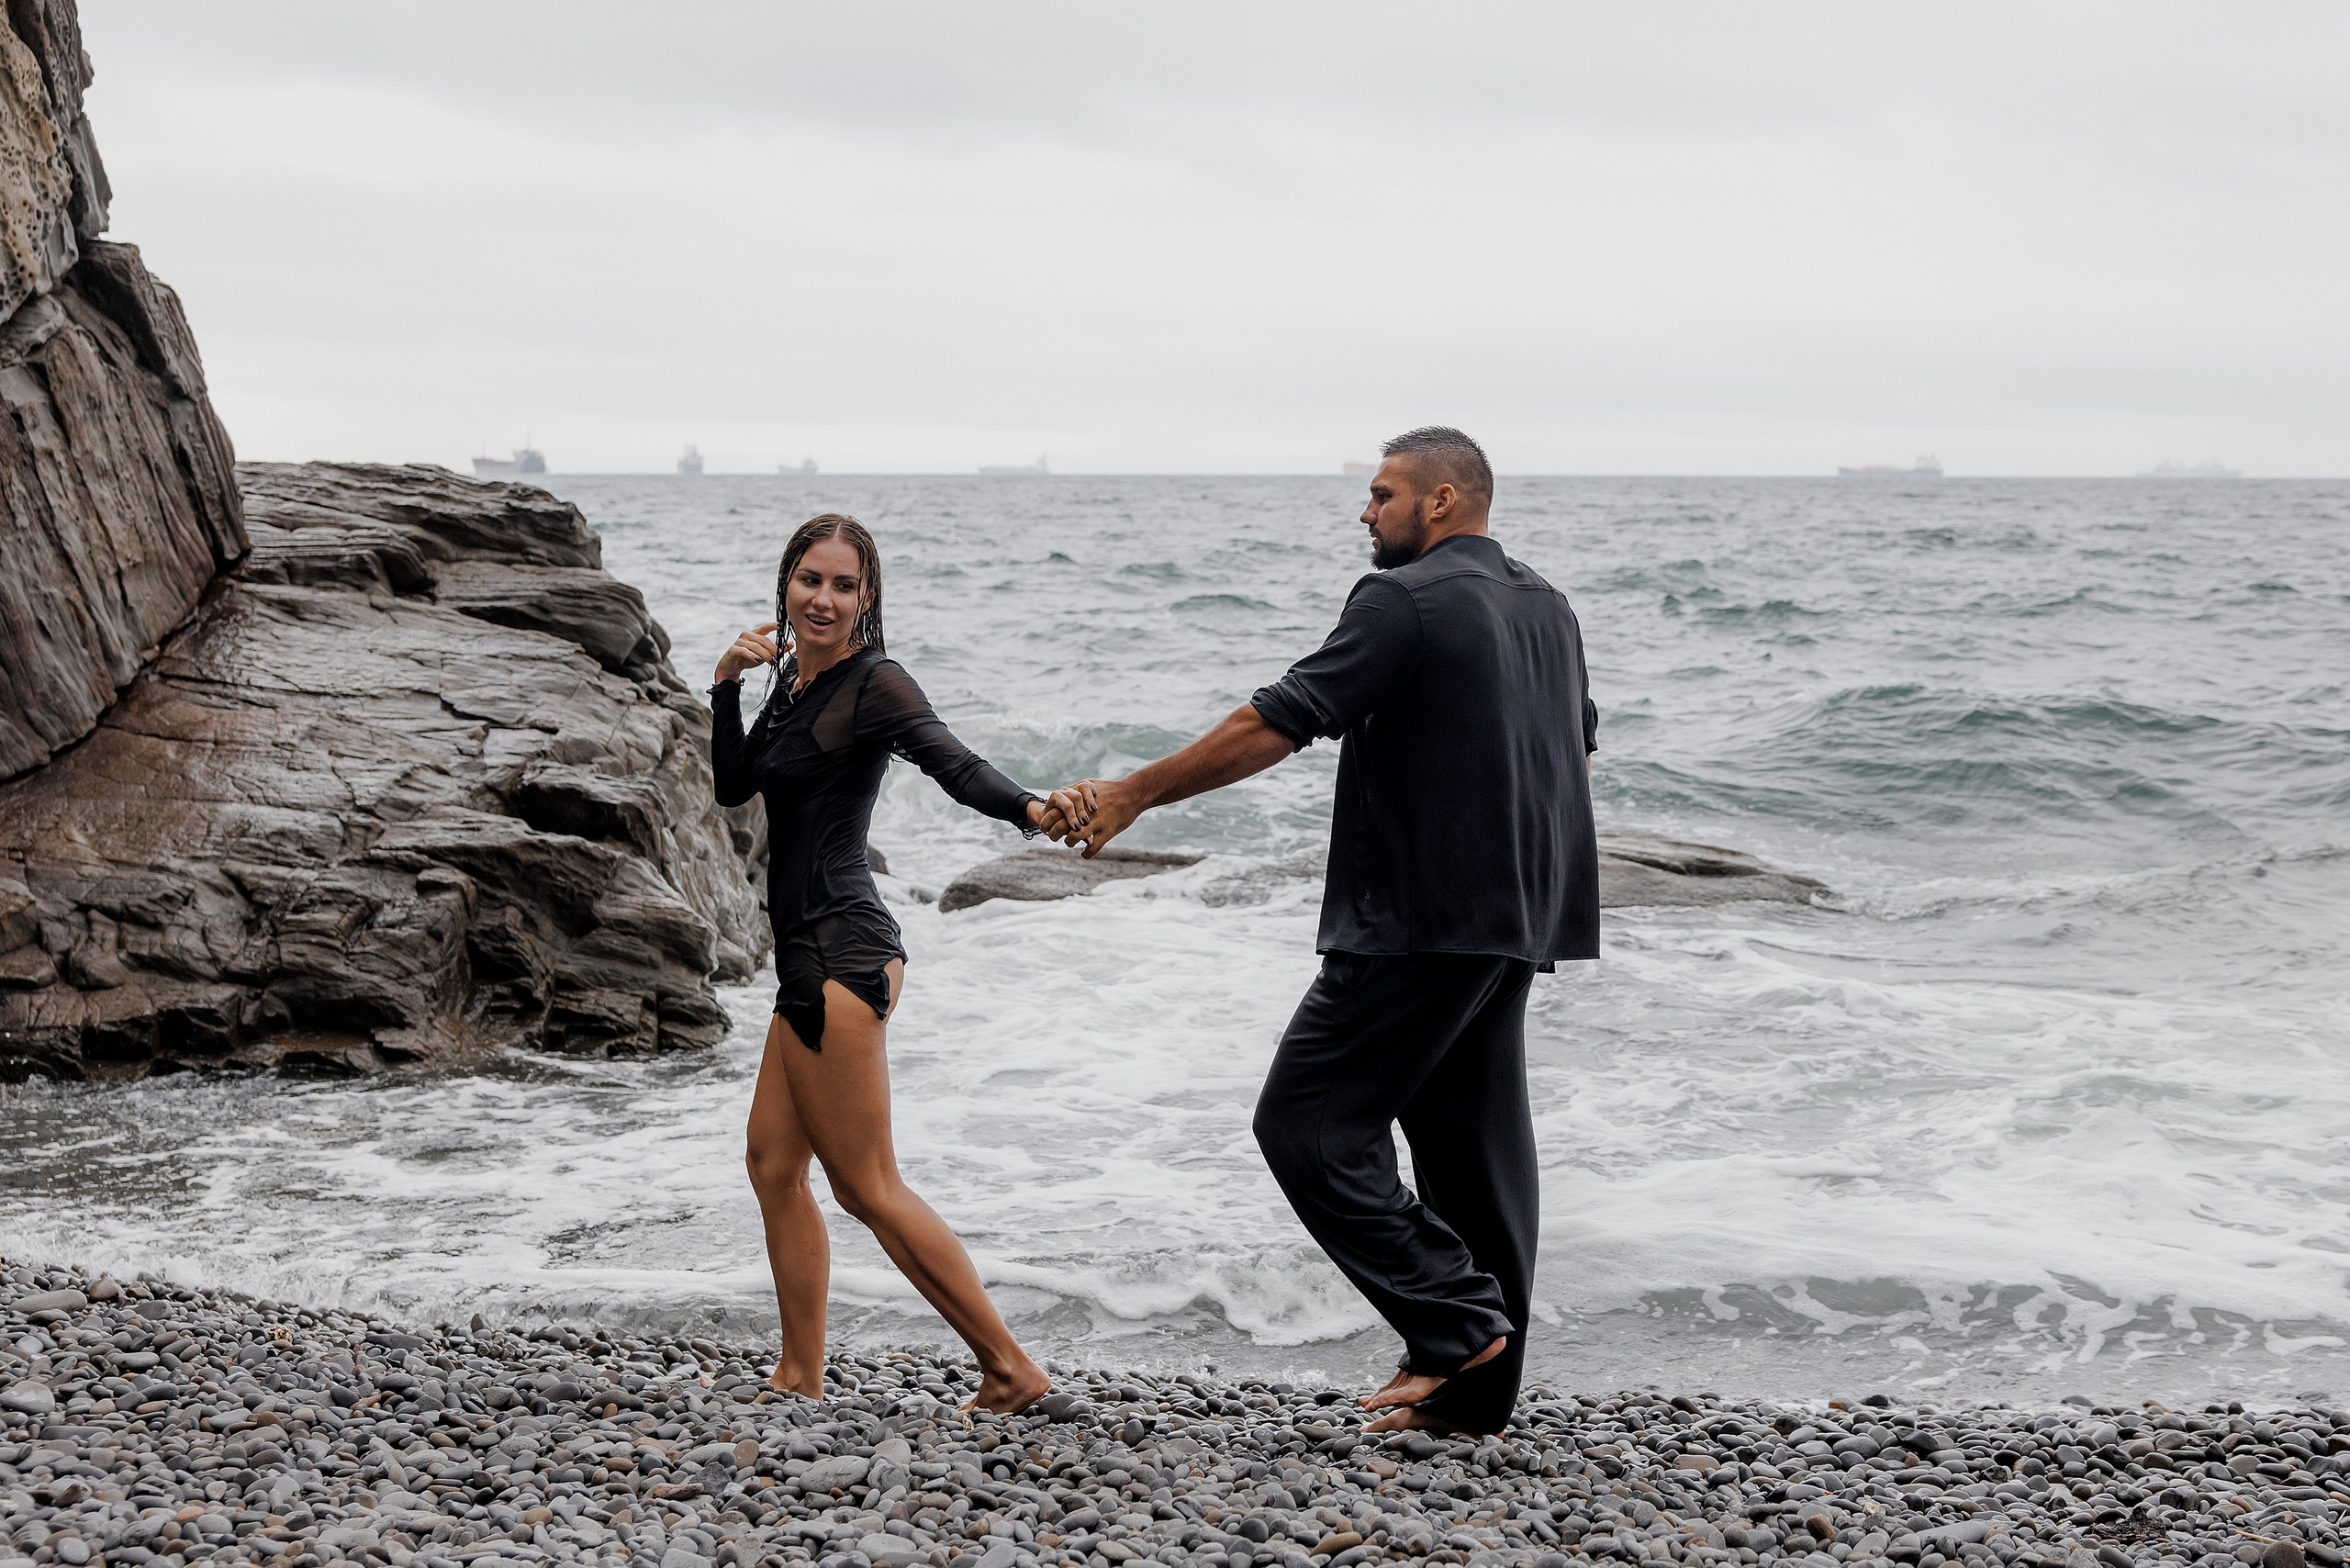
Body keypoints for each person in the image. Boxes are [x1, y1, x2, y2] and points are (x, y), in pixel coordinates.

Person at [1046, 427, 1599, 1437]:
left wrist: (1132, 792)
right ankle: (1476, 1396)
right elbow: (1578, 745)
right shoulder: (1547, 606)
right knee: (1476, 1152)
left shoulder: (1404, 599)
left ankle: (1453, 1320)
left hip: (1417, 921)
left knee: (1307, 1123)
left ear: (1439, 502)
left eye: (1382, 493)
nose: (1366, 511)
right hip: (1519, 915)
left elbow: (1280, 717)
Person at [710, 512, 1055, 1413]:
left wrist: (1034, 808)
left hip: (842, 951)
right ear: (786, 583)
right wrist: (724, 685)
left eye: (843, 585)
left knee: (866, 1184)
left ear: (869, 597)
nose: (823, 599)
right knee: (770, 1161)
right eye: (809, 580)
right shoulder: (790, 678)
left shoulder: (875, 683)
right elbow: (734, 783)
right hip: (803, 958)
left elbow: (954, 764)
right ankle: (798, 1374)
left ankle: (1010, 1367)